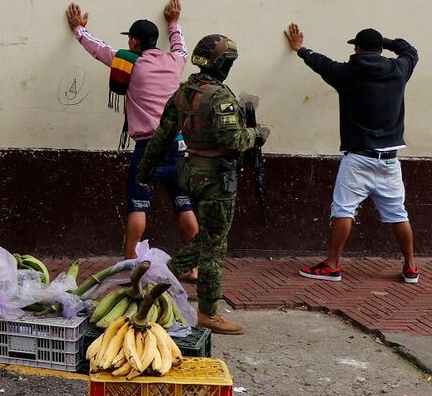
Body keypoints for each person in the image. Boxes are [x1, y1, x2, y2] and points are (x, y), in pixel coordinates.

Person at [137, 34, 268, 335]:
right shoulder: (219, 96)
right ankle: (208, 312)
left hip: (192, 173)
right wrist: (257, 134)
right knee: (214, 248)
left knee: (209, 237)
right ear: (222, 64)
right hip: (216, 179)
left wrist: (144, 173)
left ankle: (160, 276)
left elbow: (161, 136)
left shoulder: (184, 92)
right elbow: (232, 140)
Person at [66, 0, 196, 273]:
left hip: (148, 147)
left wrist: (79, 30)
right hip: (179, 146)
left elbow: (100, 51)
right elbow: (181, 46)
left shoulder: (130, 63)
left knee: (138, 206)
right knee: (184, 205)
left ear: (135, 42)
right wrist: (173, 22)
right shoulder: (176, 61)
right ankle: (195, 268)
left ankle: (129, 264)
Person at [285, 24, 419, 284]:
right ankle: (411, 267)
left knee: (344, 210)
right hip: (390, 159)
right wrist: (386, 42)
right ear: (380, 49)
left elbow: (320, 63)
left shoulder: (346, 73)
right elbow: (410, 50)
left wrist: (301, 49)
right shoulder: (400, 69)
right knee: (398, 214)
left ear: (356, 49)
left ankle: (333, 265)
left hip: (358, 158)